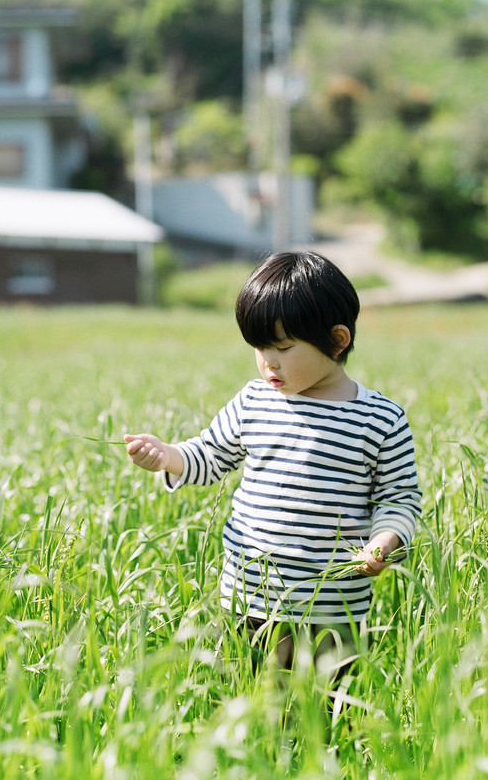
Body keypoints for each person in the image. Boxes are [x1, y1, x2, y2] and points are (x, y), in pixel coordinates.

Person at [124, 251, 421, 682]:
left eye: (282, 348)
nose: (268, 362)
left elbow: (400, 499)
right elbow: (209, 456)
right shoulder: (254, 402)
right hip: (249, 600)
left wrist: (384, 542)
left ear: (337, 340)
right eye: (259, 348)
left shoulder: (380, 418)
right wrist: (166, 455)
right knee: (258, 710)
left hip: (334, 609)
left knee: (331, 719)